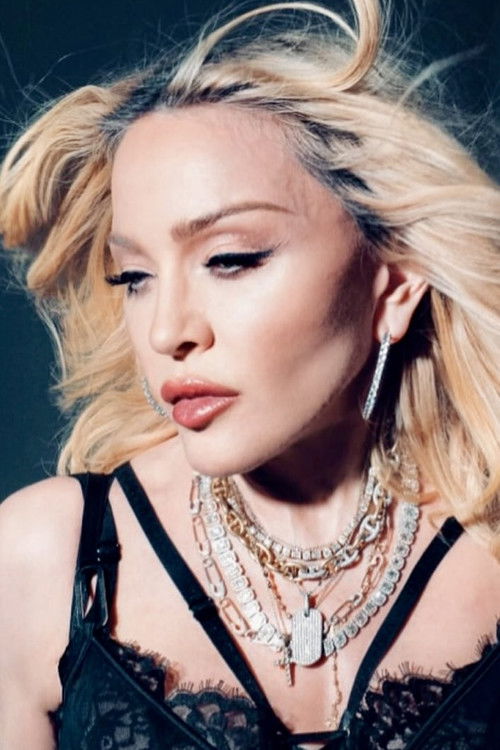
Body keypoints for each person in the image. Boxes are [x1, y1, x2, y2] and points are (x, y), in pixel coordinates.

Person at [0, 0, 499, 747]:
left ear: (394, 285)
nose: (167, 331)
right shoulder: (40, 562)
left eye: (230, 259)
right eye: (135, 277)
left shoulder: (487, 550)